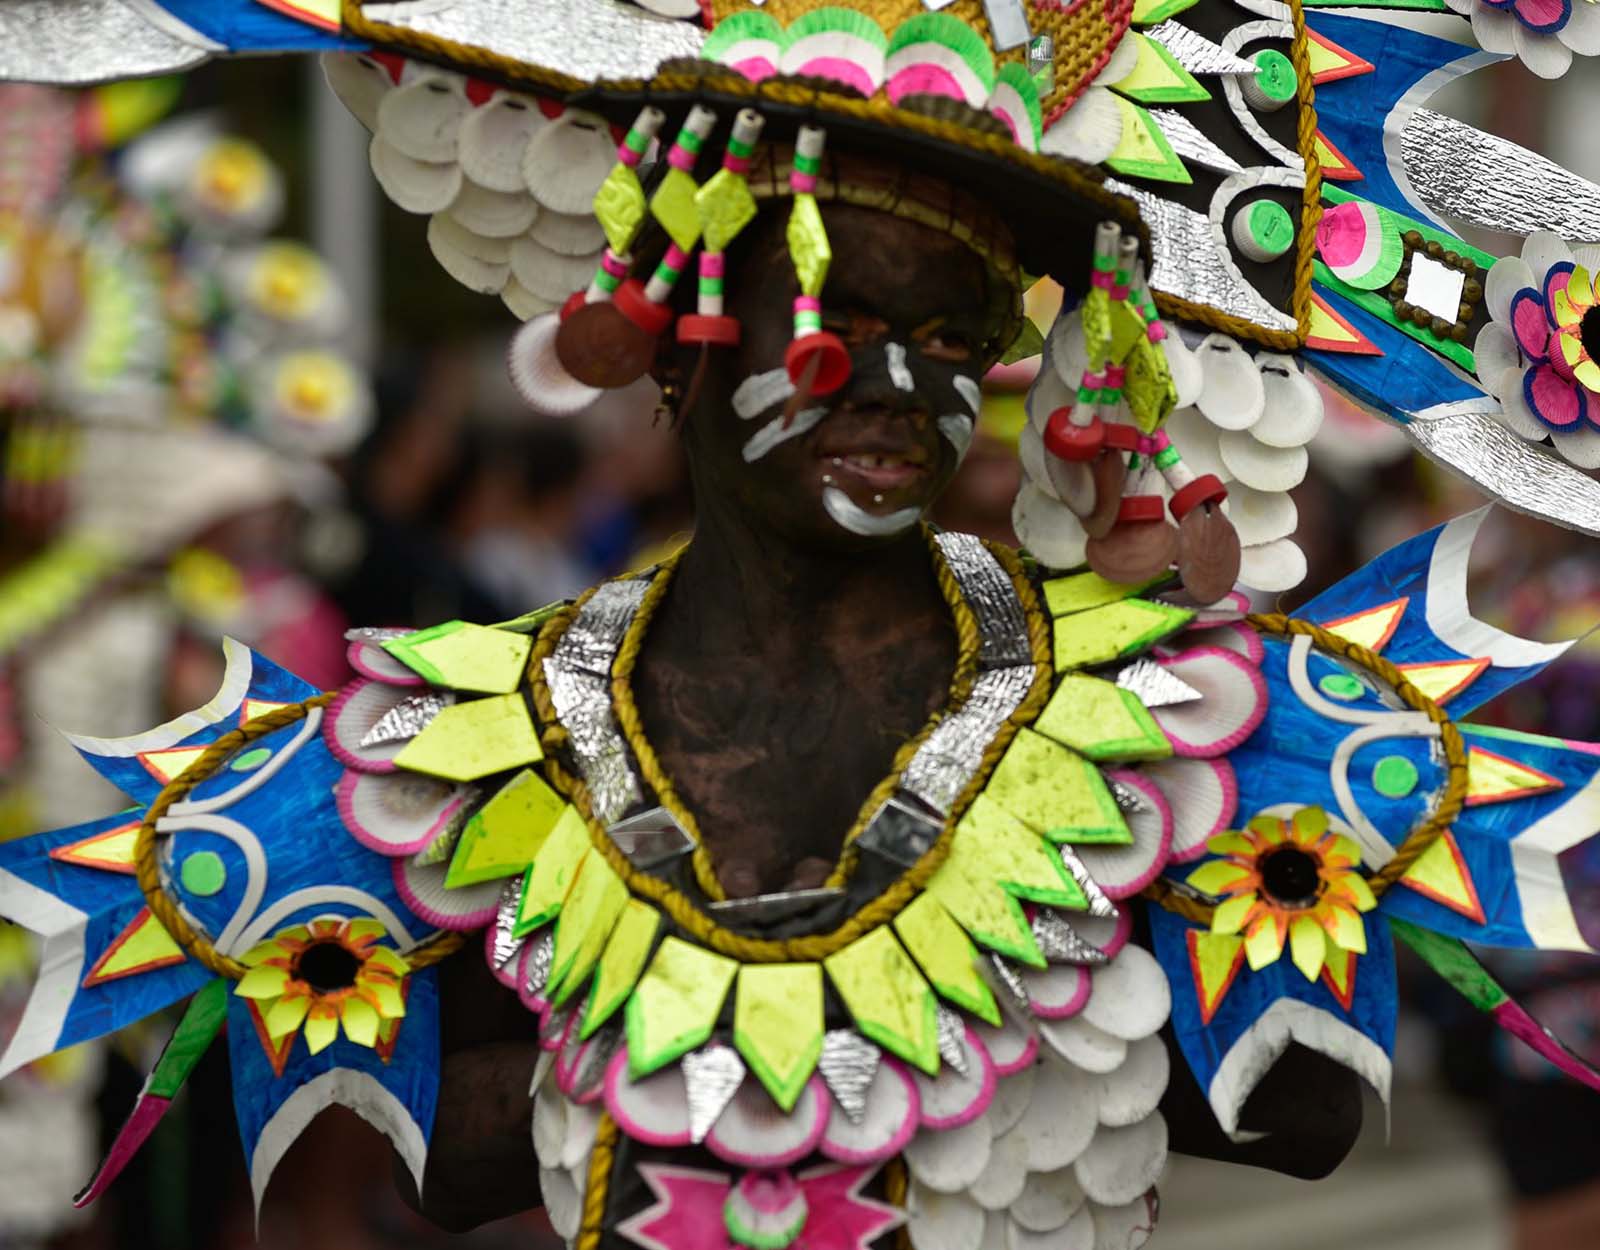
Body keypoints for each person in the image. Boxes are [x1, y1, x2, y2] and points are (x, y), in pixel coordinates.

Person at [2, 4, 1599, 1250]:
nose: (901, 393)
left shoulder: (1161, 712)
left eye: (946, 340)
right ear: (682, 348)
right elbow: (441, 1159)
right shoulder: (482, 738)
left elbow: (1304, 1112)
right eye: (839, 327)